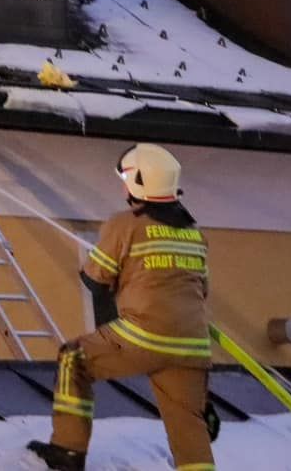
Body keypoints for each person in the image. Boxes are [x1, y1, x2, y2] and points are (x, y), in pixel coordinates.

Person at [28, 144, 215, 471]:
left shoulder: (125, 224)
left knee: (73, 358)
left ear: (141, 181)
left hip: (144, 334)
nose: (124, 186)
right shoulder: (194, 234)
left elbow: (95, 279)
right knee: (188, 425)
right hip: (194, 344)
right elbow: (202, 290)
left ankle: (68, 451)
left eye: (127, 178)